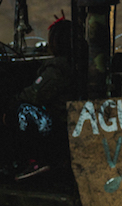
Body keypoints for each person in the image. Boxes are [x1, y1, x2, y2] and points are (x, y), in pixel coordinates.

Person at [12, 17, 80, 179]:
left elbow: (36, 94)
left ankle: (37, 161)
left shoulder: (58, 67)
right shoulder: (76, 63)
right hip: (72, 122)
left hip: (61, 124)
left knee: (22, 110)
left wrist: (15, 100)